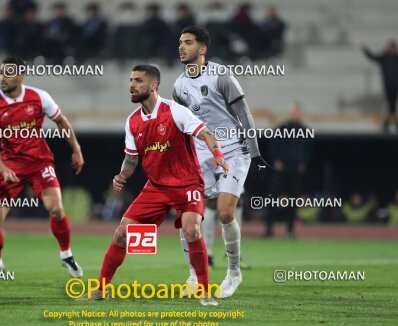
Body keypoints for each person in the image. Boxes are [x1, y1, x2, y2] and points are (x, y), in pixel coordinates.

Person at [80, 64, 228, 306]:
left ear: (153, 85)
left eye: (138, 80)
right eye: (131, 80)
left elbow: (206, 134)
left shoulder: (175, 111)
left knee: (191, 230)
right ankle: (100, 289)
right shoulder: (133, 122)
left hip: (187, 183)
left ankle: (204, 291)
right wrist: (122, 176)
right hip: (157, 187)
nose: (132, 85)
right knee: (122, 233)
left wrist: (218, 153)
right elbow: (131, 159)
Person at [173, 26, 275, 298]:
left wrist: (255, 153)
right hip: (201, 153)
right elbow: (182, 125)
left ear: (202, 49)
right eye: (180, 42)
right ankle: (194, 274)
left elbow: (244, 113)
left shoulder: (221, 75)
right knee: (189, 217)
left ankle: (233, 273)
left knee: (226, 212)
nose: (181, 47)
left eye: (188, 43)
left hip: (233, 151)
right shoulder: (179, 86)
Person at [0, 56, 85, 284]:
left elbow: (62, 122)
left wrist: (76, 149)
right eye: (1, 73)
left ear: (20, 76)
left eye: (8, 73)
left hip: (40, 163)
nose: (2, 78)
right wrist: (3, 168)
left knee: (56, 208)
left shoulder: (38, 97)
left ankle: (66, 255)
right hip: (10, 167)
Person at [265, 103, 312, 238]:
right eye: (294, 112)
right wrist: (276, 160)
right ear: (291, 113)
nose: (296, 114)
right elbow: (272, 146)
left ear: (301, 114)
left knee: (293, 201)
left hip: (295, 171)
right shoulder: (281, 129)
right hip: (281, 170)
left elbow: (308, 151)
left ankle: (290, 231)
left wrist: (304, 163)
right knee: (273, 199)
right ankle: (268, 230)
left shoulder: (305, 131)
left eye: (298, 112)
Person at [362, 41, 398, 132]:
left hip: (396, 86)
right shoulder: (384, 57)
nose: (392, 49)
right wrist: (366, 51)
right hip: (387, 85)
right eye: (391, 47)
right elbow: (373, 57)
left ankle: (387, 124)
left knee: (392, 105)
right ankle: (389, 124)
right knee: (391, 105)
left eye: (393, 48)